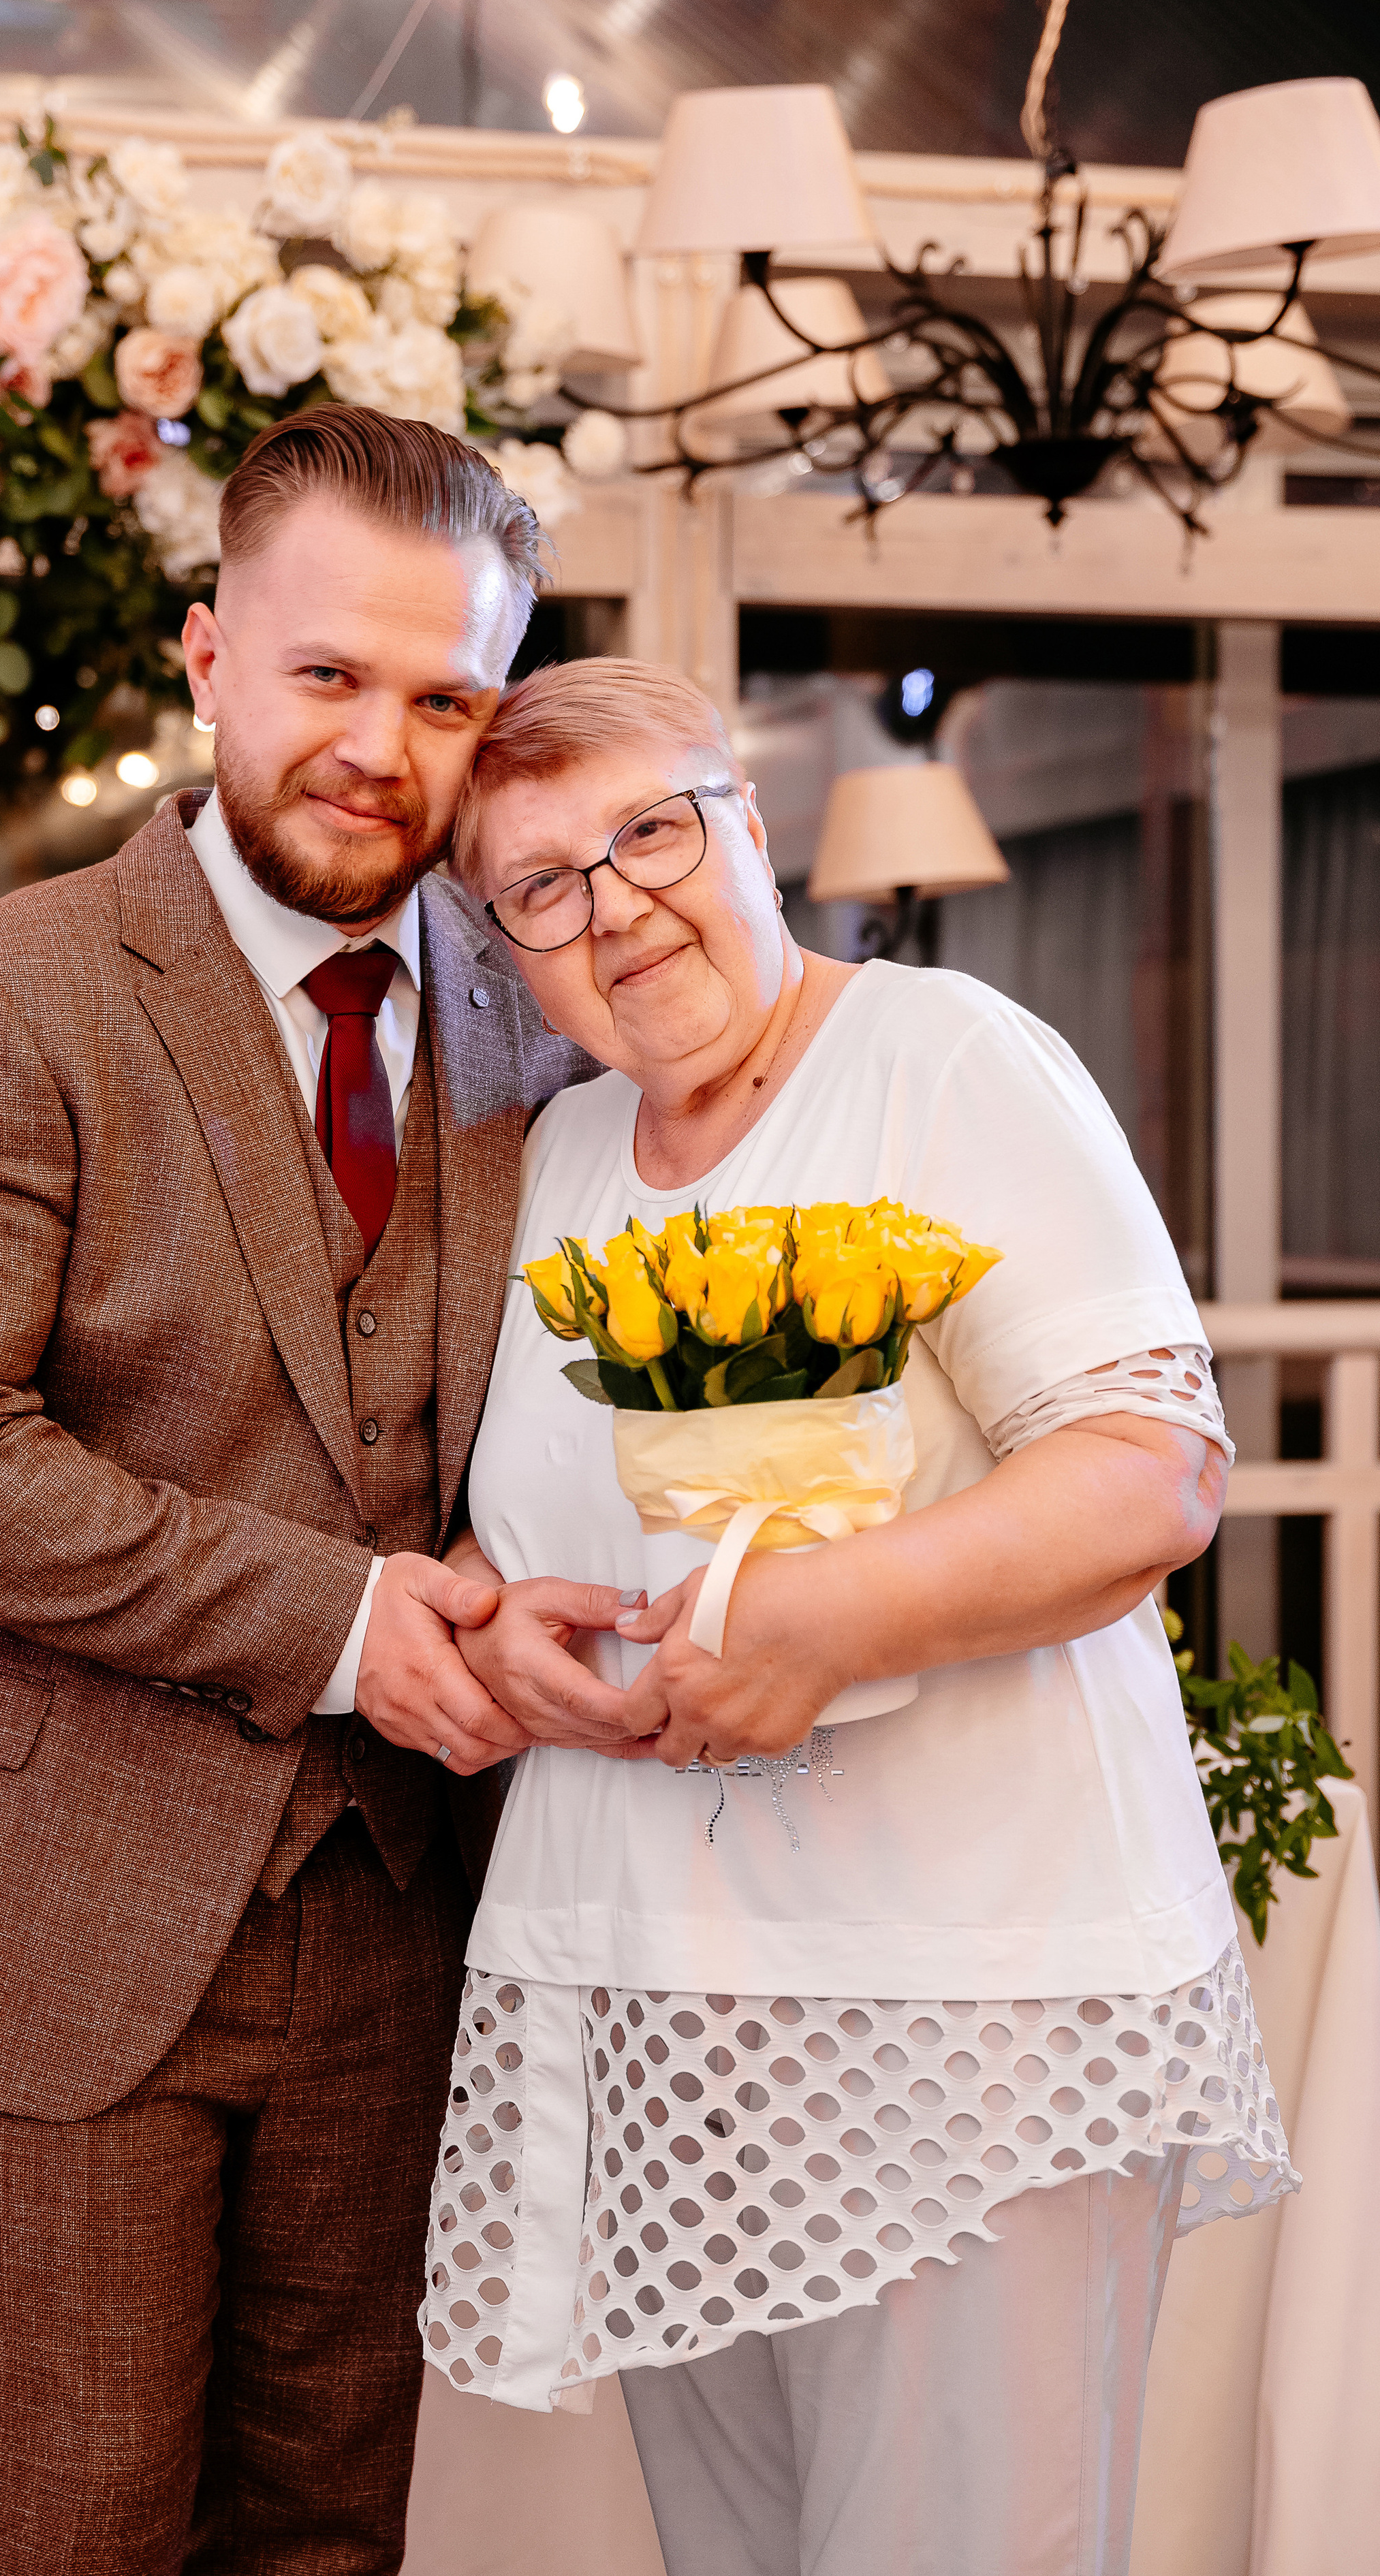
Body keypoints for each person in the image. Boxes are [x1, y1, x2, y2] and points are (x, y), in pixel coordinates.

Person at [0, 409, 638, 2575]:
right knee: (66, 2536)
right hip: (50, 1908)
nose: (380, 745)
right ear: (207, 655)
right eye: (330, 674)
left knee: (327, 2537)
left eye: (445, 698)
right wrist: (350, 1623)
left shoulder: (541, 1022)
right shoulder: (3, 998)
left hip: (400, 1913)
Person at [424, 657, 1298, 2576]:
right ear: (506, 948)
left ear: (749, 822)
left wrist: (825, 1621)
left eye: (650, 830)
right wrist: (498, 1627)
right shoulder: (558, 1162)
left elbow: (1153, 1469)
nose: (614, 903)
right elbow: (537, 1534)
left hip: (963, 2009)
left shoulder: (947, 1059)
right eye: (541, 885)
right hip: (675, 2027)